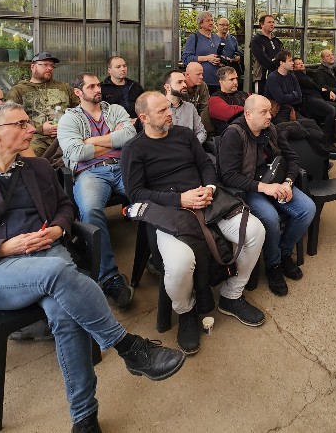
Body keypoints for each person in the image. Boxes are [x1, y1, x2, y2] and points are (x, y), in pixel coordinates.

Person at [0, 101, 184, 432]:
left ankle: (84, 419)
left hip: (50, 253)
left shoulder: (37, 168)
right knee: (59, 273)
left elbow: (66, 208)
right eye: (21, 124)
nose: (32, 129)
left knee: (64, 313)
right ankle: (128, 346)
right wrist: (3, 247)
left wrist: (57, 229)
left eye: (28, 122)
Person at [123, 91, 266, 355]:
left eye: (169, 108)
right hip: (169, 211)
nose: (170, 113)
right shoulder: (134, 149)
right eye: (162, 111)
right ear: (144, 118)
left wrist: (209, 188)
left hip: (206, 199)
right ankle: (186, 311)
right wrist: (180, 199)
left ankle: (231, 295)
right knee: (180, 263)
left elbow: (206, 165)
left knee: (255, 231)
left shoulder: (184, 135)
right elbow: (135, 194)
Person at [217, 95, 314, 297]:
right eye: (264, 112)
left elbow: (292, 158)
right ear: (248, 114)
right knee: (270, 218)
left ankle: (284, 253)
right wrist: (263, 188)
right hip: (251, 189)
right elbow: (228, 176)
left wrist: (288, 182)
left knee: (307, 209)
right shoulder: (234, 134)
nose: (270, 116)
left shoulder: (270, 130)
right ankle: (273, 265)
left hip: (277, 182)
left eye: (270, 111)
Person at [57, 74, 136, 309]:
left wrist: (90, 141)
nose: (97, 89)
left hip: (123, 168)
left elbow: (130, 137)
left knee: (152, 196)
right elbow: (76, 153)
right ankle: (109, 277)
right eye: (91, 86)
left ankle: (159, 257)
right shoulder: (69, 119)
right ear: (78, 92)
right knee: (91, 211)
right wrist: (113, 141)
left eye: (98, 85)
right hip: (90, 173)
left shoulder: (115, 110)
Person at [5, 52, 78, 156]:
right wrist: (40, 128)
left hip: (64, 135)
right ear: (33, 67)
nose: (49, 68)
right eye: (45, 65)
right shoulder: (18, 90)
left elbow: (79, 110)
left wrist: (67, 125)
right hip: (34, 137)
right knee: (32, 155)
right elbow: (9, 117)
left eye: (52, 65)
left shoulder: (64, 88)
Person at [292, 57, 336, 142]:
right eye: (298, 64)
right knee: (331, 110)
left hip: (317, 97)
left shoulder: (306, 74)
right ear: (293, 67)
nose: (301, 65)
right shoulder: (297, 75)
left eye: (301, 63)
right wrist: (327, 91)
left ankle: (332, 135)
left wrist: (327, 91)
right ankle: (327, 139)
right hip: (309, 100)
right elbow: (314, 86)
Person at [181, 12, 225, 94]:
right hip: (201, 82)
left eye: (212, 20)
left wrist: (221, 60)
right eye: (207, 21)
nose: (211, 23)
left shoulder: (217, 38)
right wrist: (207, 58)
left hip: (217, 80)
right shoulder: (194, 37)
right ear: (200, 23)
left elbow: (222, 55)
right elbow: (186, 59)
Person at [162, 70, 206, 144]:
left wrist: (193, 146)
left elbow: (201, 132)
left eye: (185, 82)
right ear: (167, 87)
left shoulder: (190, 107)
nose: (184, 85)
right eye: (179, 82)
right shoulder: (157, 109)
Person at [265, 51, 304, 123]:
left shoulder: (292, 76)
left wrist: (287, 97)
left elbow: (299, 98)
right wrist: (294, 95)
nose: (292, 63)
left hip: (290, 109)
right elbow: (280, 99)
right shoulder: (272, 77)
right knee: (296, 127)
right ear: (281, 63)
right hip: (277, 111)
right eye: (290, 61)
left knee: (310, 124)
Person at [208, 66, 249, 134]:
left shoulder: (244, 94)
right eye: (231, 79)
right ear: (221, 82)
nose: (235, 82)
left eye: (236, 79)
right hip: (229, 135)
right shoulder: (214, 99)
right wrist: (251, 110)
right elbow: (229, 113)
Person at [250, 14, 283, 95]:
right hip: (261, 77)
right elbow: (262, 59)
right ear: (262, 25)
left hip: (276, 77)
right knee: (261, 99)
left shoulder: (277, 41)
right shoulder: (256, 40)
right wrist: (276, 67)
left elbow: (282, 55)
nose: (272, 24)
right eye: (269, 22)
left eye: (273, 22)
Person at [181, 62, 213, 134]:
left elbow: (205, 108)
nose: (201, 77)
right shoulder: (178, 85)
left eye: (202, 74)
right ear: (187, 75)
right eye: (198, 74)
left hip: (197, 122)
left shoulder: (202, 85)